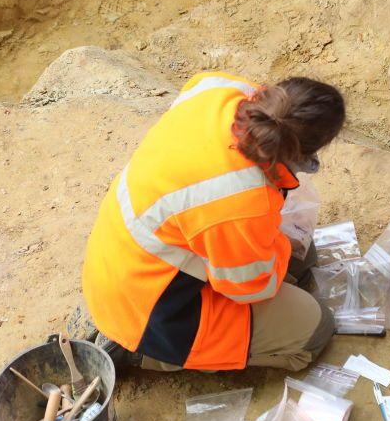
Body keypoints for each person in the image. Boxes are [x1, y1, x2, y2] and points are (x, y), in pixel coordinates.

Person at [80, 71, 344, 372]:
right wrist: (276, 246)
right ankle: (145, 354)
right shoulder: (243, 198)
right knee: (315, 328)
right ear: (304, 153)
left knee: (300, 256)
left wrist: (274, 245)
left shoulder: (219, 88)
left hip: (126, 256)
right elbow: (251, 287)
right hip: (149, 309)